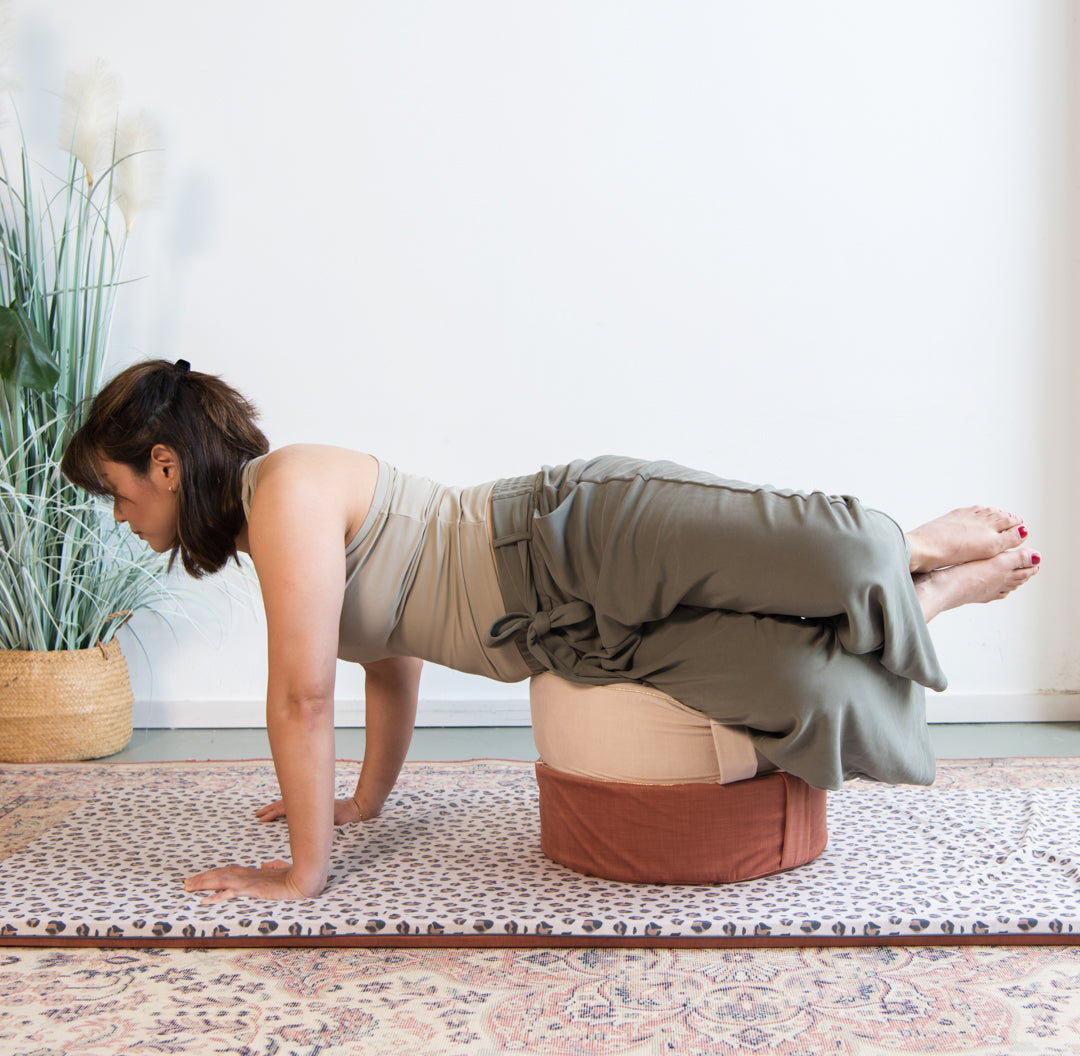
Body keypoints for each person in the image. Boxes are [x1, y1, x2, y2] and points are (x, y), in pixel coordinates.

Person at [60, 359, 1041, 902]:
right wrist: (361, 802)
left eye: (116, 494)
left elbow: (300, 696)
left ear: (165, 463)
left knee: (804, 550)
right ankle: (930, 602)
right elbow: (386, 666)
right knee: (800, 685)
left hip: (571, 537)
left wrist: (304, 872)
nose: (120, 517)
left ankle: (905, 546)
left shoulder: (284, 490)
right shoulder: (272, 534)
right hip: (569, 637)